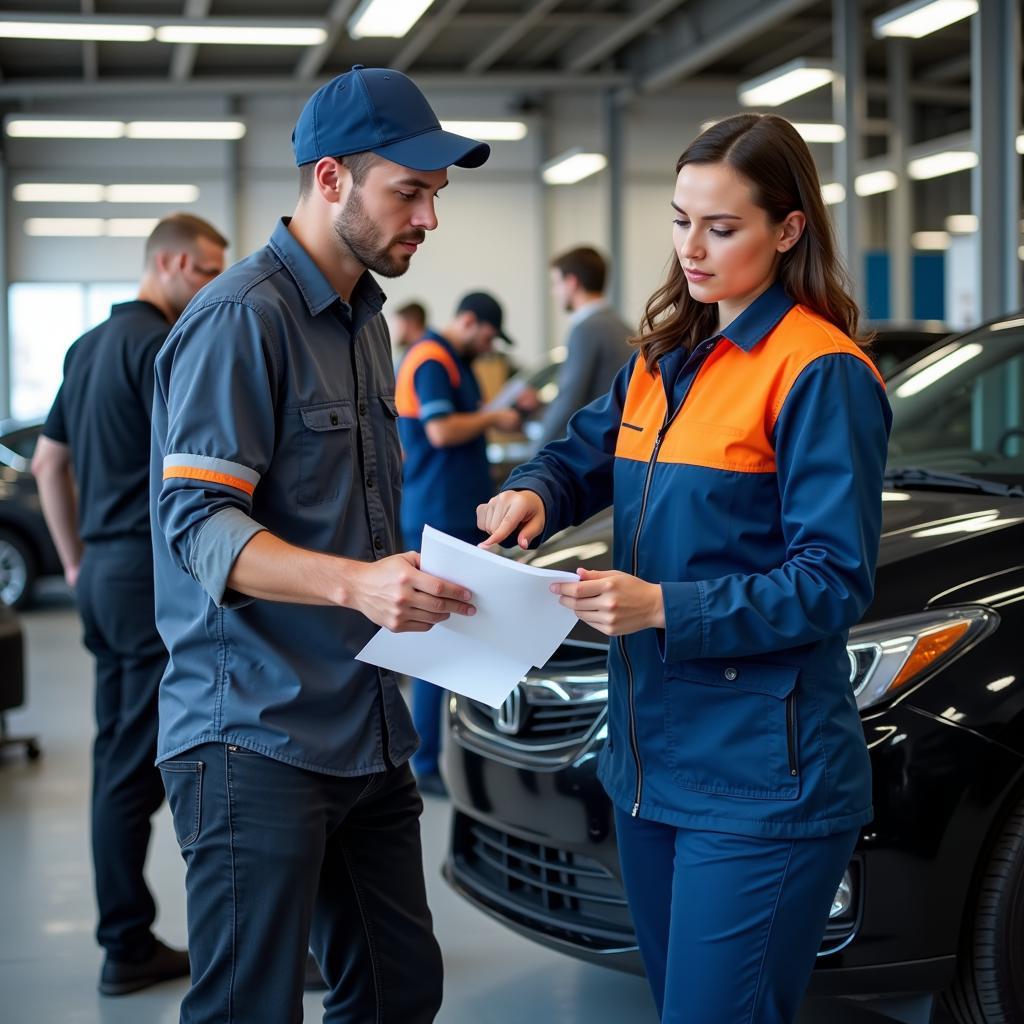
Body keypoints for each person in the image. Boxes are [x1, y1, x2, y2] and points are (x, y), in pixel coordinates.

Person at [477, 113, 891, 1024]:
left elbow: (832, 580)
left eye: (721, 226)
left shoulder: (819, 372)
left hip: (756, 776)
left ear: (788, 231)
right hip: (647, 758)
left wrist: (665, 606)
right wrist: (534, 492)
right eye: (679, 220)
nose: (691, 249)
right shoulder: (664, 359)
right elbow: (579, 453)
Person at [150, 65, 487, 1024]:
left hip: (366, 725)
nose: (428, 218)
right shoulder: (240, 320)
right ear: (331, 179)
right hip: (252, 733)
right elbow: (199, 530)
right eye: (409, 193)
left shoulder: (365, 320)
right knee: (250, 1006)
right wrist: (358, 587)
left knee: (396, 988)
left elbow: (354, 513)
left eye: (435, 196)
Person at [31, 213, 228, 995]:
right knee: (184, 765)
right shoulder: (168, 348)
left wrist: (75, 561)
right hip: (156, 580)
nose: (215, 284)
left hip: (105, 577)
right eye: (209, 270)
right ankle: (202, 946)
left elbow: (50, 463)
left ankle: (126, 938)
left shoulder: (85, 348)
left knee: (118, 756)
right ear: (174, 262)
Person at [395, 291, 522, 794]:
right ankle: (426, 764)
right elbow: (443, 431)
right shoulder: (429, 359)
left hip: (455, 512)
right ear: (468, 321)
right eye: (487, 335)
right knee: (439, 640)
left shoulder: (454, 361)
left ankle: (453, 752)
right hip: (436, 516)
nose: (489, 345)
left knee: (463, 635)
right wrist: (494, 418)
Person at [537, 246, 633, 448]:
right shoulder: (622, 327)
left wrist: (535, 454)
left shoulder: (587, 328)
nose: (553, 292)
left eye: (556, 283)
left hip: (596, 447)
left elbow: (569, 399)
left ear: (572, 283)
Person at [392, 299, 428, 365]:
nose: (395, 332)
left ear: (412, 322)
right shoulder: (414, 351)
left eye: (398, 325)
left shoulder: (426, 356)